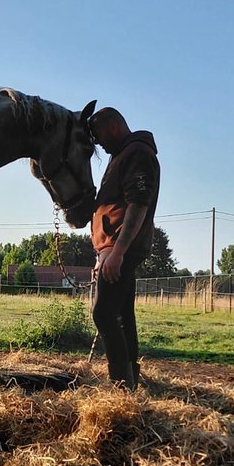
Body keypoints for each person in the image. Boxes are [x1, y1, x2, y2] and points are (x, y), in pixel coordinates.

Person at [88, 107, 160, 387]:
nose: (98, 142)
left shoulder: (138, 154)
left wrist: (117, 251)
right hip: (113, 248)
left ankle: (120, 385)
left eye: (99, 135)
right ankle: (130, 380)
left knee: (103, 313)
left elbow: (137, 204)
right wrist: (103, 250)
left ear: (114, 127)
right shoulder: (120, 156)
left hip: (122, 249)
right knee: (122, 314)